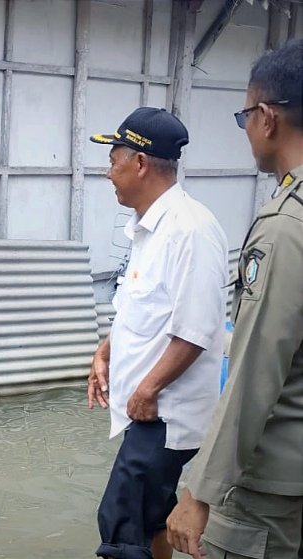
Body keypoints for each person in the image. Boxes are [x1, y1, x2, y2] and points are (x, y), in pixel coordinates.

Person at [166, 39, 303, 559]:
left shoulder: (284, 225)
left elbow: (254, 370)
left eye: (245, 115)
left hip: (268, 487)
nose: (246, 129)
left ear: (267, 118)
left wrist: (201, 489)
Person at [87, 107, 229, 559]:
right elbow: (143, 310)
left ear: (141, 163)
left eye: (114, 160)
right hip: (148, 409)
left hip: (165, 415)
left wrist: (147, 390)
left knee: (121, 526)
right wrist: (106, 351)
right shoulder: (149, 229)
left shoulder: (189, 231)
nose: (109, 173)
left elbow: (196, 329)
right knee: (150, 521)